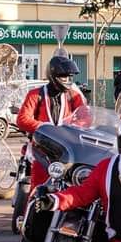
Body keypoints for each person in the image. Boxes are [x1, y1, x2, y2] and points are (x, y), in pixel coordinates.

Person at [15, 56, 87, 196]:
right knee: (38, 184)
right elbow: (22, 119)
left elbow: (85, 117)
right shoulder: (36, 94)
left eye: (69, 76)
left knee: (77, 181)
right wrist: (45, 128)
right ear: (54, 76)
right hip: (42, 147)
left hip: (68, 146)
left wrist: (74, 127)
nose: (67, 79)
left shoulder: (74, 96)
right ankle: (30, 213)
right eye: (64, 76)